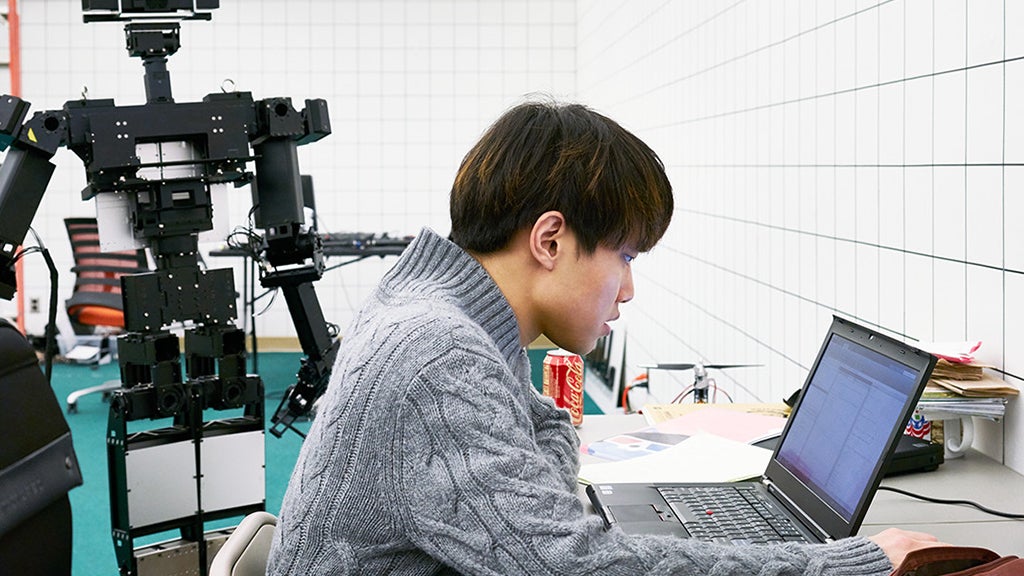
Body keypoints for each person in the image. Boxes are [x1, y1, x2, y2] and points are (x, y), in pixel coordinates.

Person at [267, 98, 942, 575]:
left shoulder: (432, 309)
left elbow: (546, 450)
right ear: (551, 239)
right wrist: (843, 564)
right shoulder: (437, 350)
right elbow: (569, 564)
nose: (627, 289)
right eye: (625, 256)